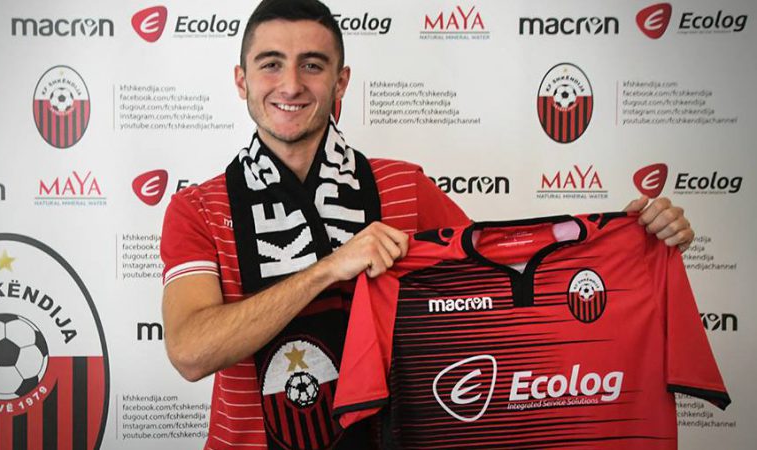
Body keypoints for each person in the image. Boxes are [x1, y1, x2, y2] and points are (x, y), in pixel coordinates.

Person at [159, 1, 694, 448]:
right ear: (241, 80)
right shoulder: (198, 207)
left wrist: (633, 247)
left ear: (341, 81)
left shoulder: (404, 186)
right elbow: (190, 353)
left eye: (313, 65)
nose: (292, 84)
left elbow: (504, 288)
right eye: (271, 64)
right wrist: (328, 269)